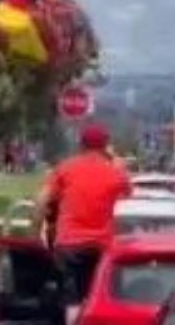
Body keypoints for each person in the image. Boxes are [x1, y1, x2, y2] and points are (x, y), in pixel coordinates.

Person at [33, 123, 131, 309]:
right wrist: (115, 161)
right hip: (102, 246)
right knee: (100, 298)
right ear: (105, 146)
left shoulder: (65, 168)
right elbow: (129, 195)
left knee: (72, 300)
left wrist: (36, 234)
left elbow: (41, 200)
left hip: (70, 244)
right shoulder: (115, 173)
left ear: (81, 145)